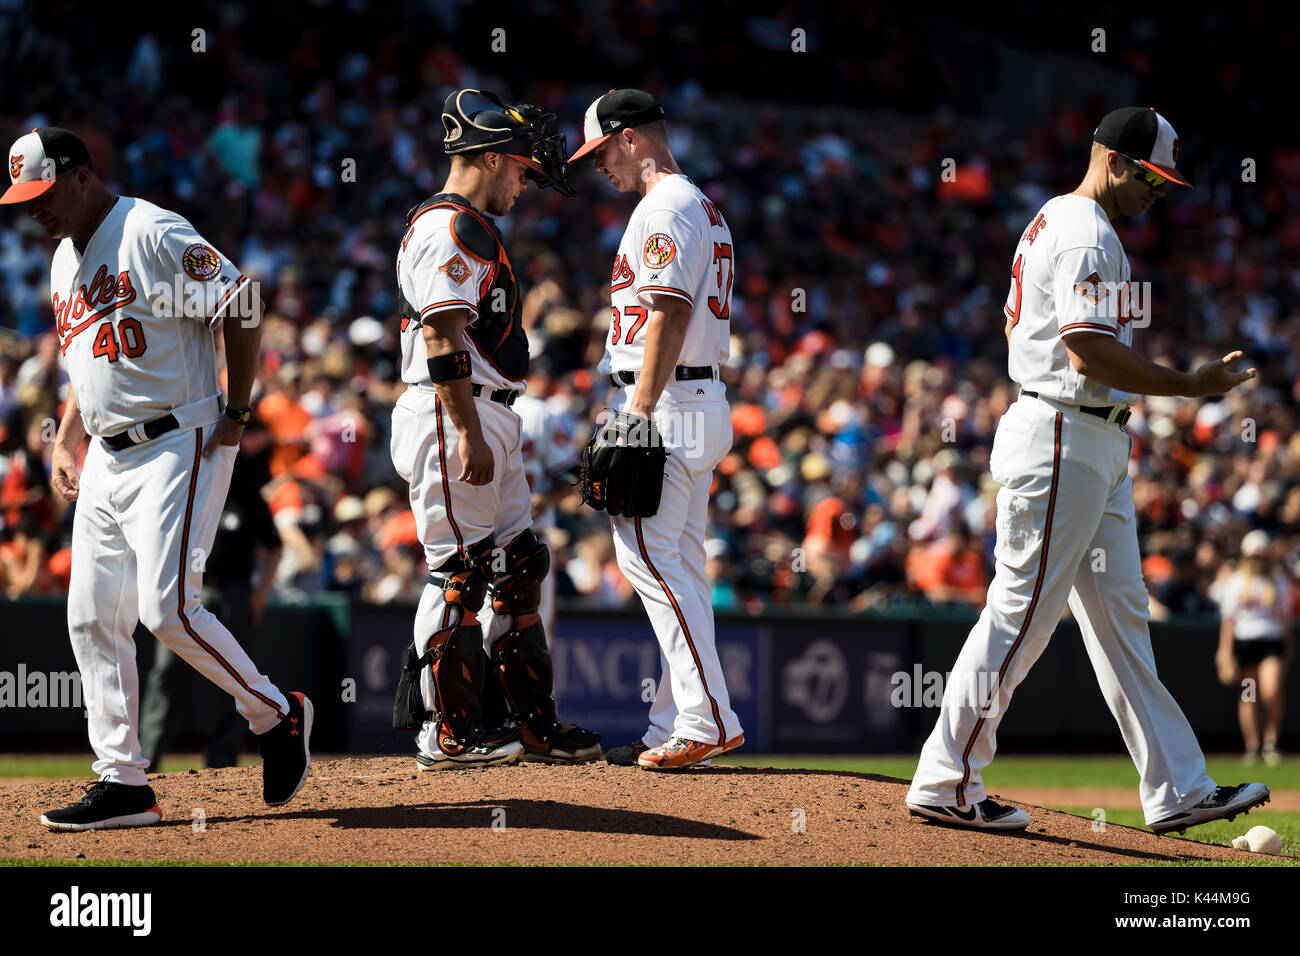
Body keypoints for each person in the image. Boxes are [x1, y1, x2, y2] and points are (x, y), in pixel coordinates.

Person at [905, 108, 1269, 834]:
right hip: (1063, 433)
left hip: (1091, 438)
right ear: (1116, 161)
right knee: (1022, 613)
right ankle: (946, 780)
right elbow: (1086, 351)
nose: (1158, 193)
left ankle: (1177, 786)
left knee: (1121, 623)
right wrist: (1190, 387)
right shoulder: (1085, 232)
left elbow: (1023, 328)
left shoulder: (1055, 220)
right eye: (1152, 178)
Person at [1, 127, 312, 830]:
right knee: (89, 617)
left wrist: (238, 407)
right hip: (108, 454)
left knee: (167, 609)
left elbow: (243, 300)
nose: (34, 210)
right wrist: (66, 438)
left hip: (181, 434)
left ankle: (278, 715)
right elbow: (88, 360)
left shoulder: (149, 231)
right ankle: (124, 782)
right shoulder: (60, 261)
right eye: (24, 198)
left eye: (44, 194)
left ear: (82, 177)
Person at [389, 91, 602, 770]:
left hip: (490, 409)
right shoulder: (447, 227)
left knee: (518, 569)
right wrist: (467, 433)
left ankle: (530, 726)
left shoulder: (471, 225)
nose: (525, 180)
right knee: (459, 573)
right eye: (518, 168)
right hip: (454, 411)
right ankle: (445, 733)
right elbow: (440, 332)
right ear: (485, 156)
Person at [568, 89, 744, 770]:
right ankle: (673, 718)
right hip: (694, 397)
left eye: (602, 151)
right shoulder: (698, 205)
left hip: (666, 400)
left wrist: (637, 408)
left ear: (631, 137)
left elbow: (668, 309)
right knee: (682, 566)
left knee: (648, 558)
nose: (598, 167)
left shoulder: (667, 205)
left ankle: (705, 718)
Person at [139, 417, 283, 769]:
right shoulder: (189, 487)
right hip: (185, 594)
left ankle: (221, 764)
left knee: (230, 679)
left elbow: (275, 546)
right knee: (166, 677)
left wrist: (260, 593)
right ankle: (146, 759)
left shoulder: (246, 492)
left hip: (231, 594)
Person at [1214, 529, 1292, 766]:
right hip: (1246, 644)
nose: (1258, 561)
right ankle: (1253, 744)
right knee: (1249, 695)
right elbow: (1229, 621)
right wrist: (1224, 651)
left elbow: (1285, 619)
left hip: (1270, 642)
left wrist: (1289, 647)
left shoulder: (1277, 581)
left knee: (1272, 689)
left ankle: (1271, 741)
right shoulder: (1237, 581)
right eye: (1254, 556)